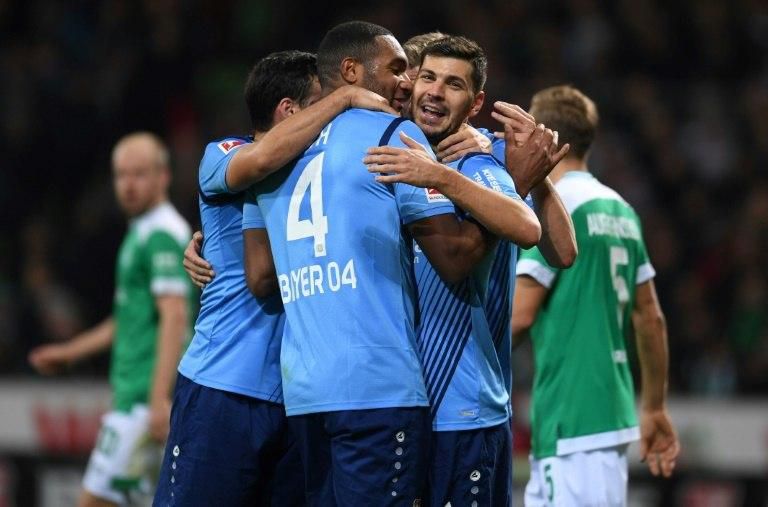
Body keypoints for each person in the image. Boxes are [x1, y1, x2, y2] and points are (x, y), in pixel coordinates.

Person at [245, 21, 546, 506]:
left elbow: (258, 271)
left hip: (321, 392)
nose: (410, 85)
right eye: (407, 73)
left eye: (448, 83)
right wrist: (482, 179)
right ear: (352, 71)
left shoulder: (280, 151)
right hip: (389, 392)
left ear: (474, 103)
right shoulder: (395, 138)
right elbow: (457, 257)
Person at [153, 51, 395, 506]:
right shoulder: (223, 154)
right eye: (320, 102)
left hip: (299, 397)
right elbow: (262, 158)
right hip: (223, 384)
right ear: (289, 110)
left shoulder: (325, 177)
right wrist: (343, 98)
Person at [364, 35, 573, 507]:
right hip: (402, 404)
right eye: (423, 78)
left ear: (474, 101)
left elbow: (561, 250)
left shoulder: (490, 157)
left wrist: (531, 180)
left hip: (467, 404)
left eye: (451, 84)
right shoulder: (385, 157)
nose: (431, 92)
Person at [511, 85, 680, 506]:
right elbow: (650, 318)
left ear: (543, 135)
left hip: (572, 414)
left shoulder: (554, 208)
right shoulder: (620, 209)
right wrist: (654, 407)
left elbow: (519, 316)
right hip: (609, 411)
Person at [28, 133, 194, 507]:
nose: (128, 185)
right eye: (121, 175)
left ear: (163, 176)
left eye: (139, 174)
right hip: (137, 397)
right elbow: (127, 320)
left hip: (141, 401)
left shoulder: (162, 234)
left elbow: (175, 315)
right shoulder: (143, 231)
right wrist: (70, 352)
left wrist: (157, 398)